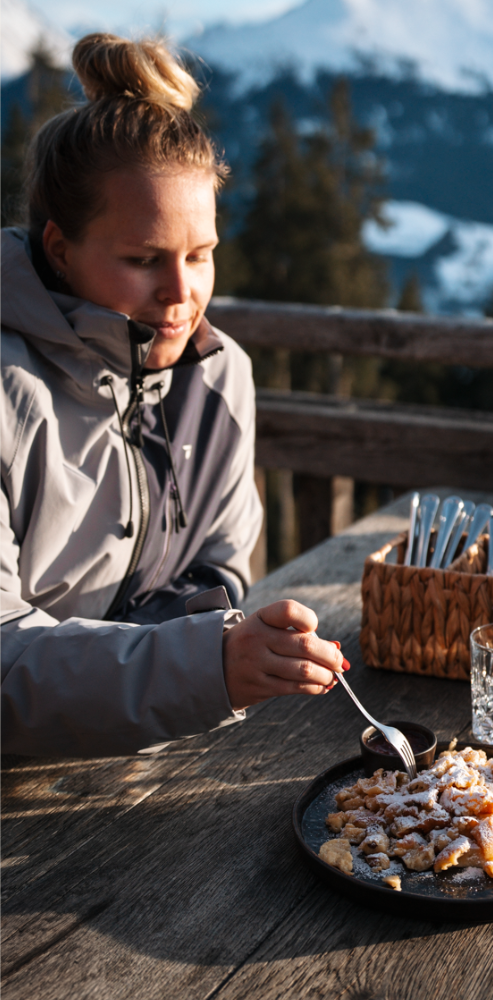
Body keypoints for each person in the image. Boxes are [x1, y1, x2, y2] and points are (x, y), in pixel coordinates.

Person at [1, 33, 344, 757]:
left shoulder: (218, 377)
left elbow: (219, 569)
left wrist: (226, 646)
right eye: (142, 259)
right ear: (59, 248)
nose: (181, 295)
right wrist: (204, 663)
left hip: (144, 759)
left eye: (200, 255)